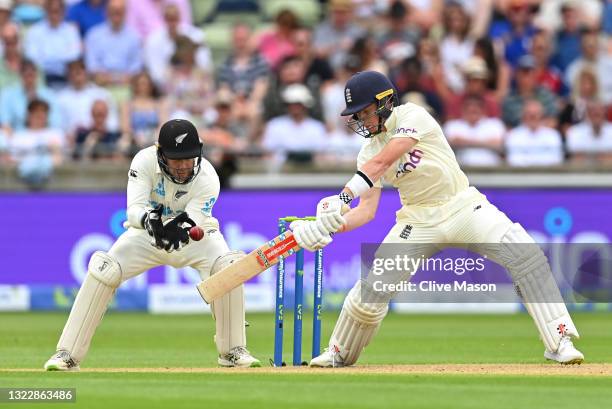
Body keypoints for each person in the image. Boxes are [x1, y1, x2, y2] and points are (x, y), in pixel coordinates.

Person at [289, 70, 584, 367]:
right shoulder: (368, 149)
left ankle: (559, 340)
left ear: (384, 102)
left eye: (365, 112)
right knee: (373, 286)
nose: (362, 121)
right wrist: (330, 226)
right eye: (357, 115)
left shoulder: (412, 116)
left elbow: (383, 163)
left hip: (463, 206)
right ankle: (340, 352)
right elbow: (366, 211)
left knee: (525, 253)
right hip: (417, 220)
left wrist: (341, 198)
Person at [44, 118, 260, 371]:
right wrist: (149, 220)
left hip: (192, 235)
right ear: (160, 154)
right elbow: (133, 210)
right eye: (176, 160)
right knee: (105, 268)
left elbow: (192, 221)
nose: (182, 167)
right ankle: (67, 354)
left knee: (228, 266)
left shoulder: (208, 177)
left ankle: (232, 350)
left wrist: (180, 228)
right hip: (146, 234)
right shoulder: (143, 161)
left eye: (188, 159)